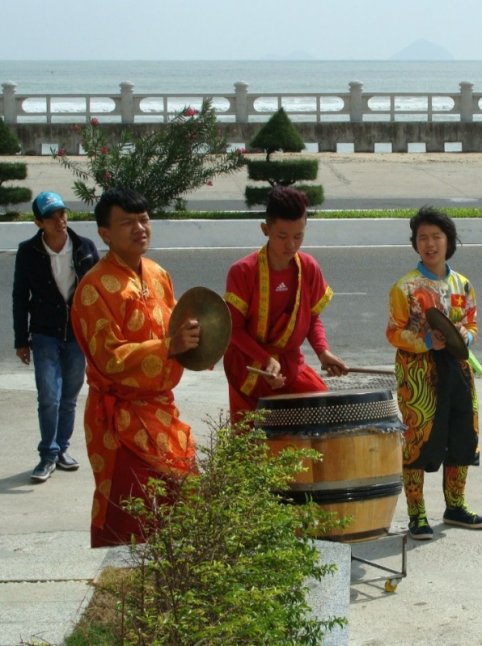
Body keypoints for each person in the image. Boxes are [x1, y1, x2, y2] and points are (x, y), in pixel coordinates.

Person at [70, 187, 201, 547]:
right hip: (120, 419)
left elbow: (175, 331)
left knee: (181, 507)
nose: (140, 228)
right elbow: (110, 358)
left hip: (161, 410)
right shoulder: (94, 288)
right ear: (105, 234)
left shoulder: (158, 274)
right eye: (127, 222)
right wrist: (169, 347)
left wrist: (194, 340)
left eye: (143, 219)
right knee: (133, 513)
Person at [386, 206, 482, 540]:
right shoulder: (405, 288)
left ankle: (455, 506)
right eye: (422, 238)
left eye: (436, 237)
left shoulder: (464, 284)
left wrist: (466, 336)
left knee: (462, 431)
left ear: (449, 241)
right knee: (420, 436)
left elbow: (471, 322)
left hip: (457, 369)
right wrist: (425, 340)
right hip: (419, 374)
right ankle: (417, 515)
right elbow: (393, 332)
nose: (429, 244)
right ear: (415, 244)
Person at [223, 185, 347, 419]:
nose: (291, 245)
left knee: (324, 415)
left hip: (290, 365)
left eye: (298, 236)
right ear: (265, 229)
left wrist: (323, 352)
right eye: (282, 236)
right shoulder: (242, 271)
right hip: (247, 367)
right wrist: (266, 359)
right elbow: (234, 330)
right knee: (252, 443)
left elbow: (312, 318)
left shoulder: (309, 267)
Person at [13, 192, 99, 483]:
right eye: (51, 217)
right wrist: (21, 340)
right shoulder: (28, 252)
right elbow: (19, 297)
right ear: (39, 222)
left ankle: (62, 449)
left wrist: (99, 334)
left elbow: (99, 294)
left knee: (69, 397)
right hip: (44, 334)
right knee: (48, 395)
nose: (59, 220)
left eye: (61, 213)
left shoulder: (85, 248)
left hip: (77, 335)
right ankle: (47, 454)